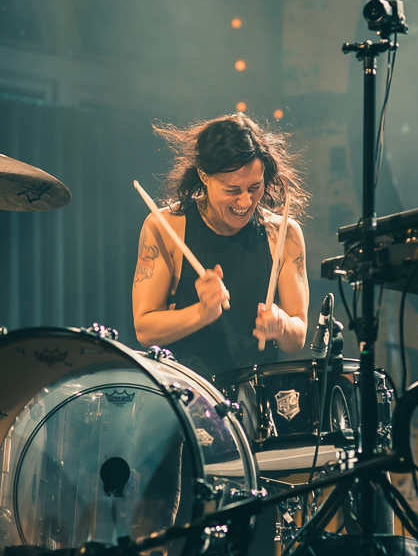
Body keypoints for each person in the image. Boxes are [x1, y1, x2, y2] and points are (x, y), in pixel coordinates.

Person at [132, 113, 309, 381]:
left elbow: (297, 339)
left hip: (257, 393)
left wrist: (282, 324)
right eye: (232, 190)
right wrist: (202, 313)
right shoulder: (164, 227)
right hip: (187, 392)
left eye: (255, 187)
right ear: (203, 175)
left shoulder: (283, 234)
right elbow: (144, 330)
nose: (245, 201)